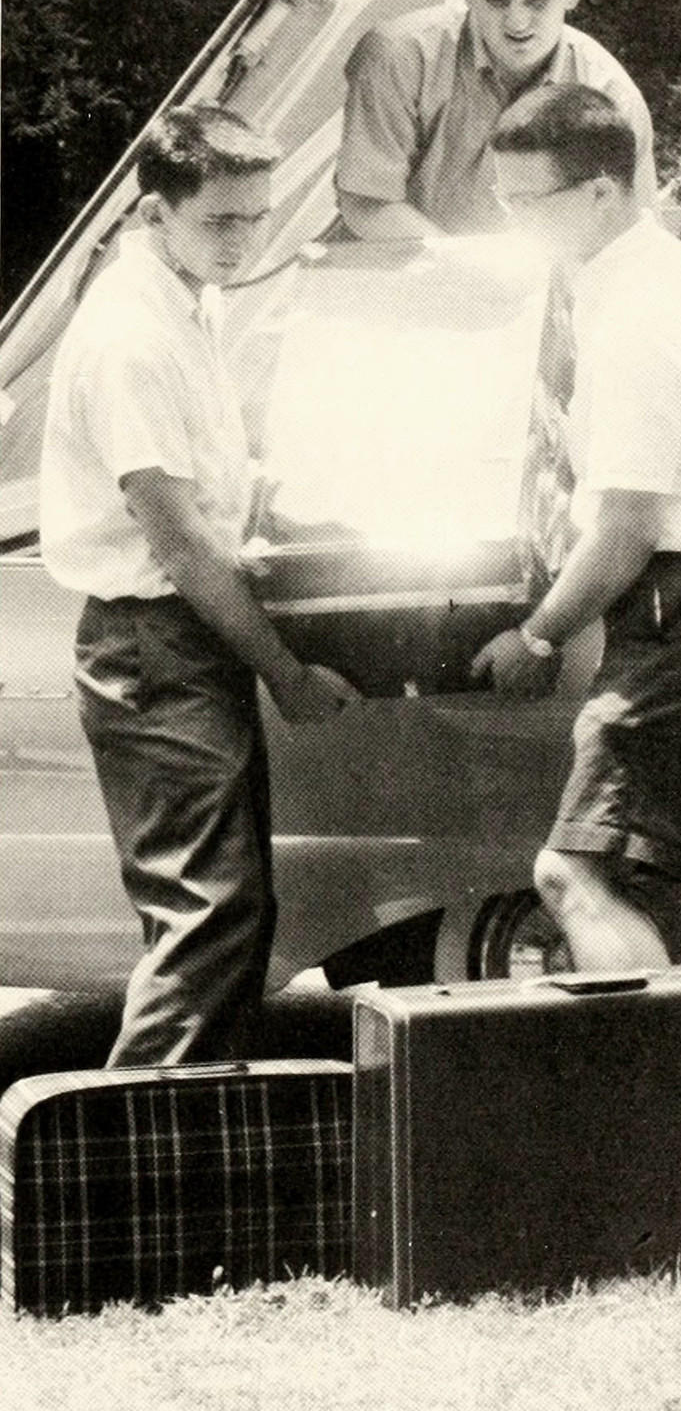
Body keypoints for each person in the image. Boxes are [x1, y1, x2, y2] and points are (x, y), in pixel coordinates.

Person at [40, 103, 359, 1067]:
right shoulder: (131, 335)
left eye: (257, 218)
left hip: (184, 640)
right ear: (155, 213)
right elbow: (179, 543)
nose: (242, 241)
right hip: (153, 644)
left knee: (231, 918)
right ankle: (118, 1149)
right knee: (209, 919)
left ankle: (188, 1142)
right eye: (221, 220)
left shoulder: (187, 304)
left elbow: (215, 500)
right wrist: (287, 675)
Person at [471, 85, 681, 970]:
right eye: (503, 200)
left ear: (602, 192)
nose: (512, 221)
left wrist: (538, 636)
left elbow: (625, 531)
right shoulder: (662, 273)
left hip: (680, 616)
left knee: (573, 875)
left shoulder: (635, 317)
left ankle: (640, 1063)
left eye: (527, 202)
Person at [335, 0, 658, 241]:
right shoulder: (399, 57)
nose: (517, 22)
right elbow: (366, 201)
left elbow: (633, 238)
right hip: (395, 271)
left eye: (537, 1)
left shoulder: (612, 96)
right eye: (496, 1)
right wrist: (468, 270)